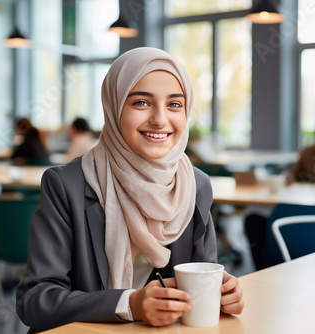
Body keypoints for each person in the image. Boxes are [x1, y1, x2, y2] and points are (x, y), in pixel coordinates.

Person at [16, 47, 244, 333]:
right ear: (113, 107)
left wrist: (222, 293)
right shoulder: (67, 185)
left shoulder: (196, 184)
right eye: (141, 103)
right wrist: (129, 304)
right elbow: (35, 301)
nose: (160, 119)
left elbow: (201, 275)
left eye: (174, 104)